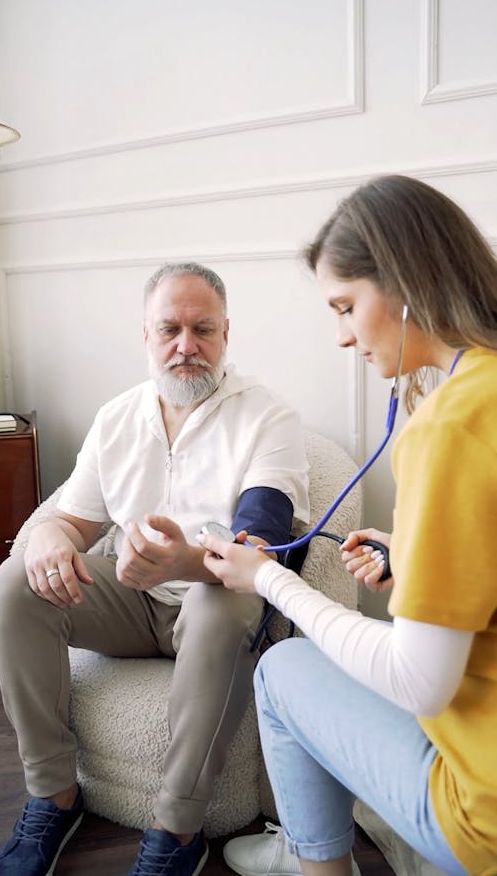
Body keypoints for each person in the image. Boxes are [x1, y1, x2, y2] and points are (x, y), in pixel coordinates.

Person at [199, 176, 497, 876]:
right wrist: (420, 555)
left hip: (482, 809)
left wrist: (269, 578)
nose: (341, 336)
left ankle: (312, 857)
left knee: (280, 669)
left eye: (346, 306)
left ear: (406, 283)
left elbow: (419, 680)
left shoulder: (448, 425)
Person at [0, 261, 309, 876]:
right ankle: (54, 794)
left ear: (226, 334)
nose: (186, 346)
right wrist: (46, 541)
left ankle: (177, 828)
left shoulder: (269, 418)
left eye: (203, 330)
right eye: (169, 329)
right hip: (132, 604)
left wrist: (185, 560)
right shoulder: (116, 419)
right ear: (145, 335)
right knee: (11, 585)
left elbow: (264, 545)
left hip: (215, 605)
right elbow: (70, 521)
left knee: (220, 599)